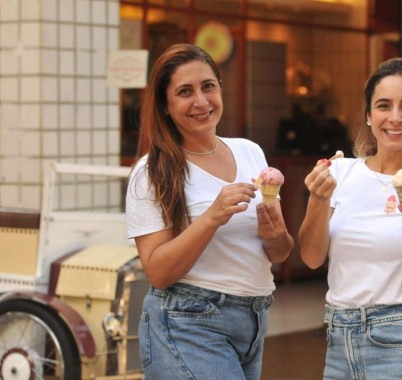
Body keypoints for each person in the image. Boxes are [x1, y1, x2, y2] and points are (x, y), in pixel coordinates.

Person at [125, 43, 294, 380]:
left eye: (208, 86)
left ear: (220, 88)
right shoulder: (152, 171)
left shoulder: (250, 152)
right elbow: (158, 272)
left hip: (254, 317)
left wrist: (278, 237)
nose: (201, 101)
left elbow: (279, 252)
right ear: (166, 105)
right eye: (185, 92)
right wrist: (213, 217)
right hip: (187, 320)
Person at [298, 57, 402, 379]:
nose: (395, 118)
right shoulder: (340, 173)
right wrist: (318, 199)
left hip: (401, 344)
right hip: (338, 344)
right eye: (384, 106)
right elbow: (312, 258)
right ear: (369, 116)